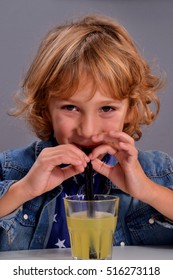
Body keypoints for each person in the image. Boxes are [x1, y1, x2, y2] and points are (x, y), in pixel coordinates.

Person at [0, 14, 173, 251]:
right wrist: (23, 190)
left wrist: (148, 190)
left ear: (131, 110)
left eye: (107, 108)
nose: (88, 130)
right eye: (70, 107)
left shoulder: (158, 172)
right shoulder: (12, 169)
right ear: (45, 109)